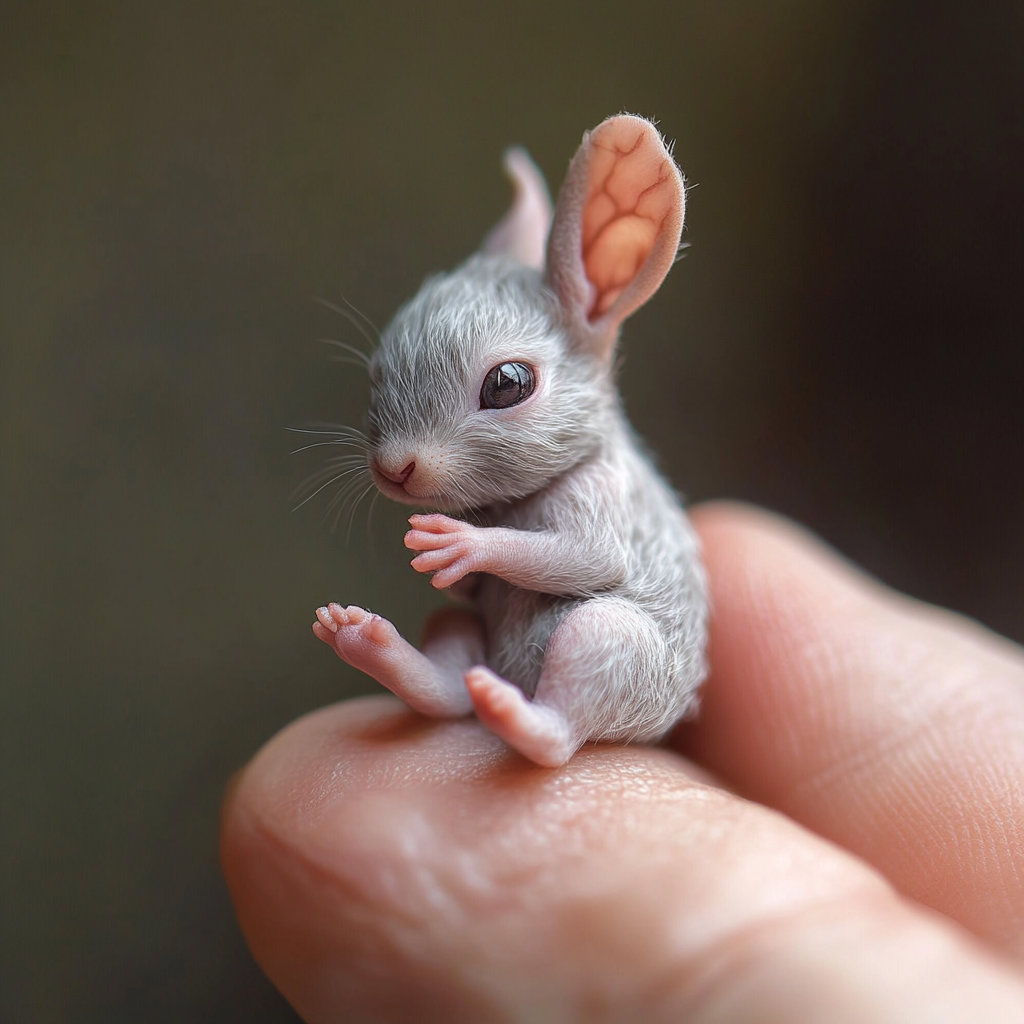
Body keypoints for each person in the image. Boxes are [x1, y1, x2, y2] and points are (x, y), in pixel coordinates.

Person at [221, 503, 1024, 1022]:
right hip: (511, 650)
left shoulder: (596, 477)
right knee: (451, 631)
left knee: (594, 630)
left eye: (501, 390)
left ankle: (555, 728)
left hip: (613, 648)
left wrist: (488, 545)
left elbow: (594, 560)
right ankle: (420, 675)